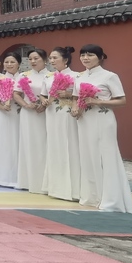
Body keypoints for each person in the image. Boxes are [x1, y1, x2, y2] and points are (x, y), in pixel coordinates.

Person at [72, 44, 132, 213]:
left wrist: (98, 101)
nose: (85, 58)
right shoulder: (79, 76)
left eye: (90, 55)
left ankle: (111, 199)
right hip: (84, 120)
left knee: (105, 156)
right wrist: (75, 108)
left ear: (100, 57)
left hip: (102, 119)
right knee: (88, 155)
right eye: (83, 55)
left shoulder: (109, 76)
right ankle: (92, 196)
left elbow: (121, 100)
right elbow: (75, 97)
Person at [43, 47, 79, 202]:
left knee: (69, 145)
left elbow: (80, 95)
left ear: (65, 60)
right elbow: (43, 94)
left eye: (55, 58)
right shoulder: (48, 77)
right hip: (52, 113)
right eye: (50, 58)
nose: (52, 61)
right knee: (55, 145)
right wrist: (43, 100)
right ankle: (55, 186)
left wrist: (68, 94)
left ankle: (73, 188)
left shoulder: (76, 76)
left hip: (68, 114)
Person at [15, 49, 48, 194]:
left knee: (44, 144)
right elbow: (16, 94)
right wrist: (26, 105)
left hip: (46, 114)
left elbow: (54, 95)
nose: (33, 61)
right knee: (29, 143)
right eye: (30, 59)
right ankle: (28, 181)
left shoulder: (51, 76)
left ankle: (44, 182)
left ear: (45, 60)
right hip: (28, 114)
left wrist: (45, 105)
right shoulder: (23, 75)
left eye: (36, 58)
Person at [0, 52, 22, 188]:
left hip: (21, 113)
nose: (9, 64)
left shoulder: (24, 78)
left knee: (20, 141)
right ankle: (3, 177)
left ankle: (20, 177)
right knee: (5, 142)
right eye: (6, 62)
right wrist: (3, 107)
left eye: (12, 62)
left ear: (19, 63)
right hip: (4, 114)